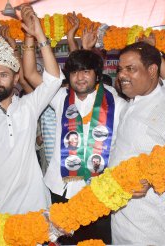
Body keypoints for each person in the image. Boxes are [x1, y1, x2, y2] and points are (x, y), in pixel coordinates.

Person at [0, 5, 63, 215]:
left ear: (16, 78)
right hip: (0, 205)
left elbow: (54, 79)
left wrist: (39, 36)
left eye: (3, 75)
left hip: (35, 201)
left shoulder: (28, 106)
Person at [109, 42, 165, 244]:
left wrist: (151, 179)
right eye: (120, 69)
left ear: (152, 70)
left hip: (153, 221)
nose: (122, 75)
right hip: (122, 216)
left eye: (130, 69)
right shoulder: (130, 105)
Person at [42, 47, 127, 243]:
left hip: (98, 192)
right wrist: (36, 37)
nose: (80, 77)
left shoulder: (117, 105)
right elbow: (30, 75)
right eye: (74, 72)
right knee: (64, 241)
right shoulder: (61, 99)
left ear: (97, 75)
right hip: (60, 189)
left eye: (86, 71)